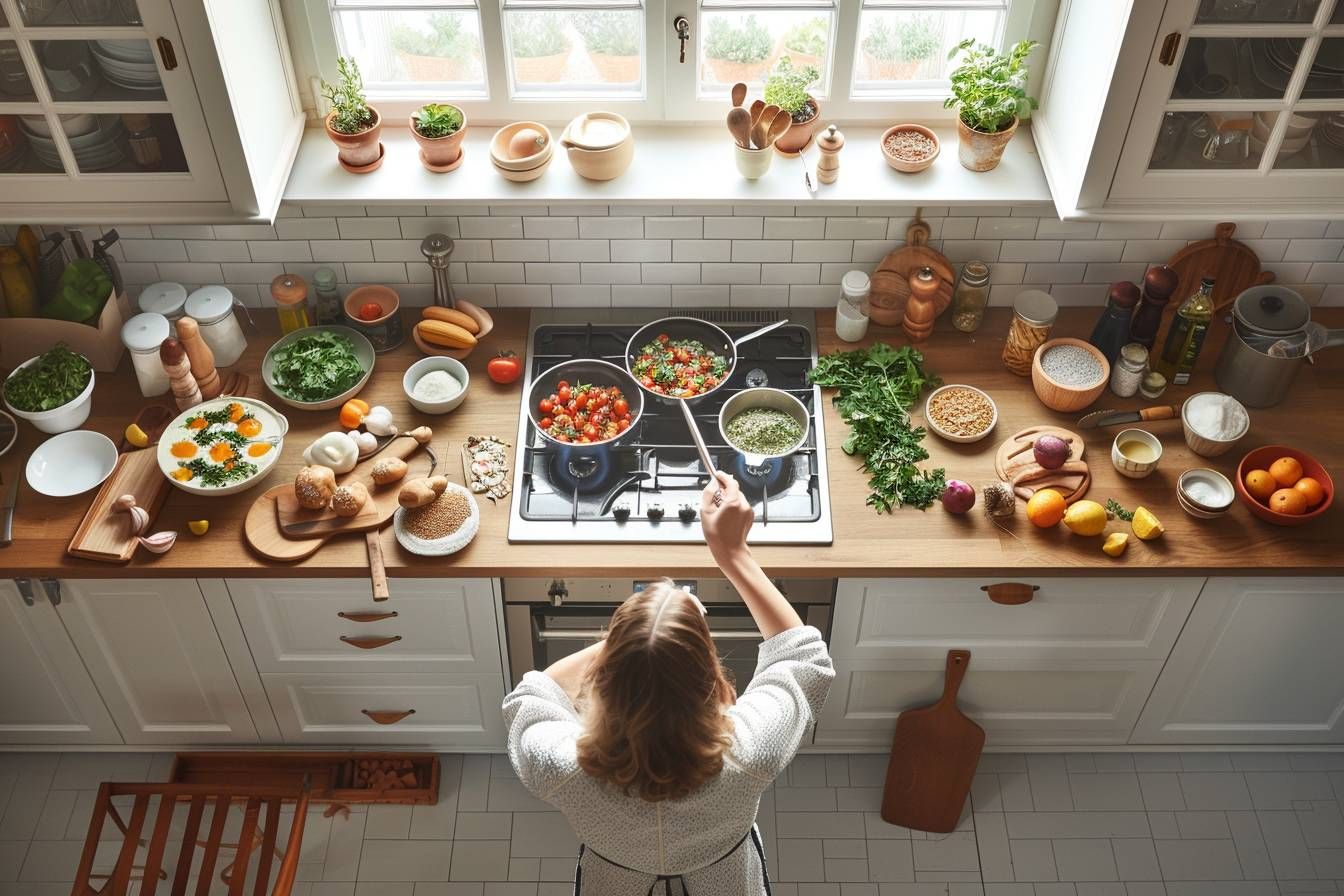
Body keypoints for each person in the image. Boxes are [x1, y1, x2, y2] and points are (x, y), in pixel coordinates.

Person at [502, 472, 835, 895]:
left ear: (604, 679)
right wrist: (733, 554)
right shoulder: (753, 749)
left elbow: (531, 696)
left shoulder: (560, 765)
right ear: (709, 676)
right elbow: (805, 658)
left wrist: (630, 641)